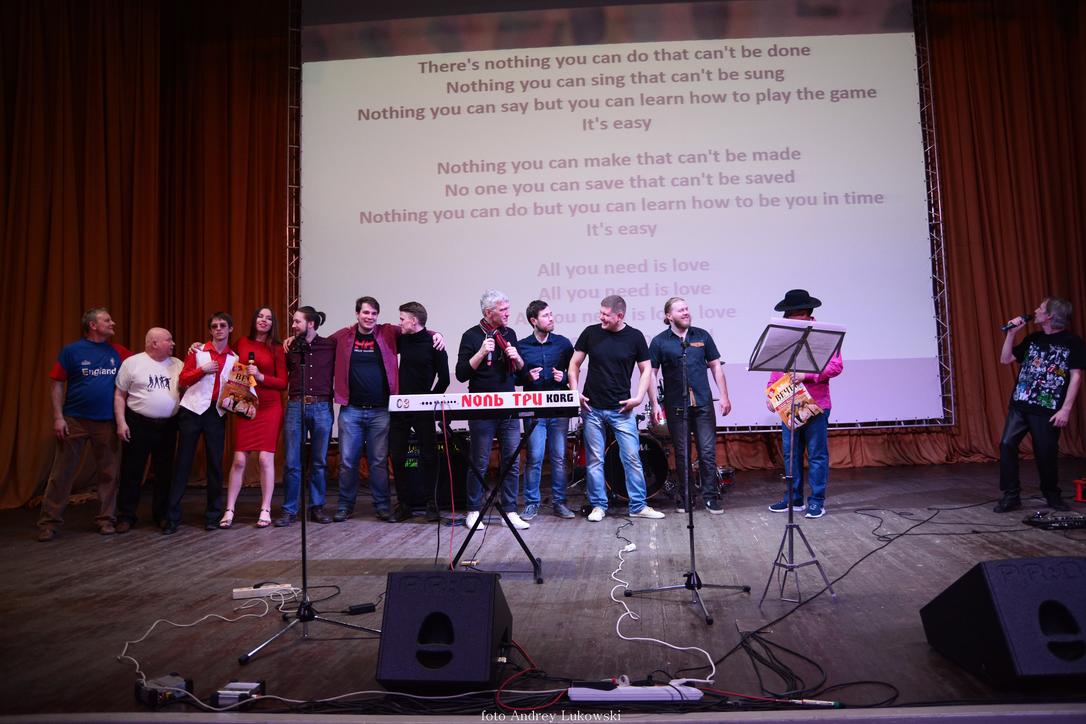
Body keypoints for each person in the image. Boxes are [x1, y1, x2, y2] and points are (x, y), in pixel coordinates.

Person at [568, 295, 665, 523]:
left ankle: (638, 506)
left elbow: (646, 370)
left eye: (606, 314)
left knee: (631, 457)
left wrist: (639, 398)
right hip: (592, 408)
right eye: (600, 312)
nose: (600, 317)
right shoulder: (590, 333)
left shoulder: (635, 337)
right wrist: (574, 392)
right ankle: (598, 506)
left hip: (622, 410)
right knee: (594, 460)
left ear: (619, 315)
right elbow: (574, 364)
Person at [38, 308, 131, 541]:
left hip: (107, 422)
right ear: (92, 325)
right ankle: (49, 523)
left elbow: (144, 363)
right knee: (62, 473)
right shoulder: (72, 351)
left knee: (109, 473)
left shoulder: (118, 352)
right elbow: (56, 383)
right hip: (74, 420)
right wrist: (58, 417)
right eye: (107, 320)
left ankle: (106, 520)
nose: (113, 323)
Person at [994, 297, 1084, 513]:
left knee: (1045, 452)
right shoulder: (1033, 338)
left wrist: (1065, 409)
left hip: (1047, 407)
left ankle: (1052, 494)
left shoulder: (1072, 342)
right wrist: (1011, 334)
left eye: (1041, 308)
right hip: (1021, 403)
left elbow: (1076, 376)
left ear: (1050, 316)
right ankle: (1011, 495)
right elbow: (1006, 359)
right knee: (1006, 444)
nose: (1036, 310)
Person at [455, 290, 530, 531]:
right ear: (489, 312)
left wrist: (518, 358)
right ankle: (474, 510)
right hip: (481, 409)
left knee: (512, 461)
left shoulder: (510, 334)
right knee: (479, 461)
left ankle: (510, 510)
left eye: (508, 308)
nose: (508, 313)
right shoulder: (471, 335)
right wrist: (481, 353)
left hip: (508, 407)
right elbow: (461, 373)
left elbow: (521, 374)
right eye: (503, 309)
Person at [649, 297, 732, 514]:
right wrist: (654, 404)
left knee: (707, 452)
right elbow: (651, 374)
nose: (686, 312)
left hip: (703, 403)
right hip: (677, 405)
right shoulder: (659, 342)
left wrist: (724, 396)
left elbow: (716, 366)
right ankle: (686, 496)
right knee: (682, 453)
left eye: (687, 309)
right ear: (669, 316)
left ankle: (710, 497)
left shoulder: (702, 336)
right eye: (680, 310)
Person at [765, 289, 843, 519]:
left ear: (806, 313)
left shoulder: (825, 336)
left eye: (794, 315)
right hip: (788, 404)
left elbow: (836, 366)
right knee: (791, 454)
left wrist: (806, 376)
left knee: (817, 455)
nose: (790, 319)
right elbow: (776, 369)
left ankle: (817, 501)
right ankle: (794, 499)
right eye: (788, 316)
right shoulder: (785, 336)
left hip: (816, 404)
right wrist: (771, 394)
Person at [165, 312, 238, 534]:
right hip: (192, 411)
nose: (218, 329)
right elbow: (183, 379)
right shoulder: (198, 352)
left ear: (230, 329)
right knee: (183, 463)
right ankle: (171, 517)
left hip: (216, 413)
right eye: (214, 326)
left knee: (215, 465)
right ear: (210, 330)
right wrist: (202, 370)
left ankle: (212, 516)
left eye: (223, 325)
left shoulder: (234, 358)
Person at [221, 307, 287, 529]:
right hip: (246, 404)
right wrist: (198, 347)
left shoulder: (276, 348)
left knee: (264, 459)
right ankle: (229, 509)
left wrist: (260, 376)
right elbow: (222, 356)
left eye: (269, 318)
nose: (264, 320)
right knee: (240, 460)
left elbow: (282, 383)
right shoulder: (241, 343)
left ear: (273, 323)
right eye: (260, 316)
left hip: (270, 407)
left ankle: (265, 509)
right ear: (254, 319)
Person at [113, 327, 183, 534]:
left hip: (168, 426)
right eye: (169, 340)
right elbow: (119, 395)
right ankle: (126, 515)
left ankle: (162, 515)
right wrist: (121, 423)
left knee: (164, 472)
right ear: (154, 343)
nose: (173, 343)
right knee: (132, 471)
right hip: (138, 423)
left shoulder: (178, 364)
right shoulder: (132, 363)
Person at [388, 301, 449, 522]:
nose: (400, 323)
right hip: (400, 407)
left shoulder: (435, 344)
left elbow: (445, 378)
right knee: (397, 455)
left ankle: (432, 504)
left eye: (402, 319)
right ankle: (404, 505)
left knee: (429, 456)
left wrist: (429, 401)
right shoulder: (401, 339)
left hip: (423, 409)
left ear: (414, 321)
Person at [275, 306, 337, 527]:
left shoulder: (329, 345)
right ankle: (289, 510)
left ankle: (316, 507)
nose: (293, 325)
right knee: (292, 461)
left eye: (297, 321)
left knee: (319, 461)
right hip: (295, 406)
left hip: (322, 406)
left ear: (311, 323)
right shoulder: (290, 346)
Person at [517, 300, 574, 519]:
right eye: (546, 316)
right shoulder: (522, 346)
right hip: (535, 411)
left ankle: (560, 503)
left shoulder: (563, 344)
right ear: (534, 320)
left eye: (551, 314)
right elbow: (513, 377)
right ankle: (532, 503)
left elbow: (573, 371)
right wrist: (526, 377)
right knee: (535, 457)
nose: (551, 318)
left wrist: (564, 377)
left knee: (559, 458)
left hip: (558, 410)